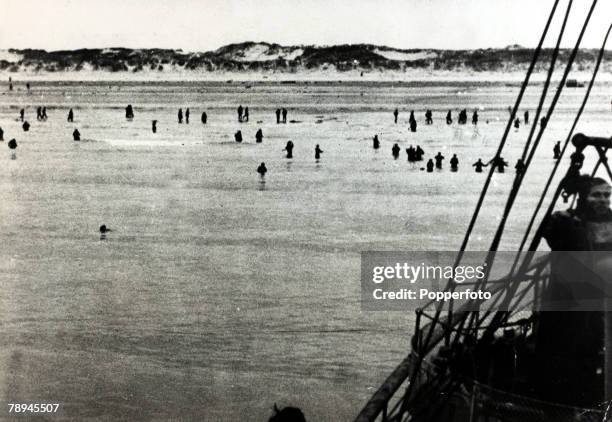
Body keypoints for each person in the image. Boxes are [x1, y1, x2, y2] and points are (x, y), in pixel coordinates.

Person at [534, 176, 612, 407]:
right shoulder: (565, 221)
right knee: (564, 346)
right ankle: (558, 401)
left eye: (607, 195)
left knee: (594, 345)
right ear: (583, 197)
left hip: (599, 298)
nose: (603, 200)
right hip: (568, 298)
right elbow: (554, 237)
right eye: (596, 195)